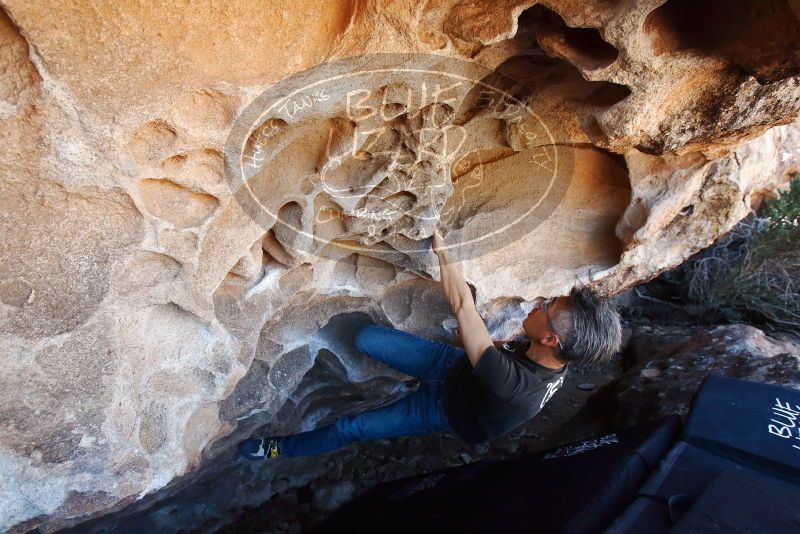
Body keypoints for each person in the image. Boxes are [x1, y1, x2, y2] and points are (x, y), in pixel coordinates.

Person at [238, 230, 622, 459]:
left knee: (351, 426)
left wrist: (444, 250)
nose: (542, 302)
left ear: (550, 337)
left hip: (444, 409)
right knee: (364, 337)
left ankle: (276, 450)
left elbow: (462, 305)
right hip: (455, 368)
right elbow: (506, 351)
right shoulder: (556, 354)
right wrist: (475, 347)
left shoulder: (513, 387)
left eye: (550, 306)